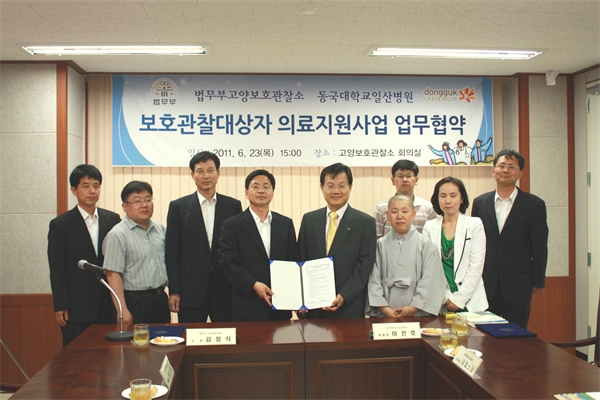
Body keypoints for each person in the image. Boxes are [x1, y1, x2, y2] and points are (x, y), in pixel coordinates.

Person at [471, 149, 549, 328]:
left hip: (518, 283)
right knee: (484, 334)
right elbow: (474, 243)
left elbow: (539, 245)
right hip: (486, 282)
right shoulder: (480, 202)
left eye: (512, 167)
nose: (506, 170)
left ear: (520, 173)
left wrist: (538, 280)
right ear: (493, 171)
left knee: (515, 334)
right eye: (502, 166)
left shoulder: (534, 205)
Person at [48, 165, 120, 347]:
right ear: (74, 190)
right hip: (77, 306)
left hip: (107, 302)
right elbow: (57, 268)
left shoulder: (112, 219)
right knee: (77, 355)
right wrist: (60, 304)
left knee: (110, 355)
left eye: (96, 186)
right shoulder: (61, 224)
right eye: (85, 186)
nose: (92, 191)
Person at [166, 151, 242, 323]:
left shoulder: (233, 206)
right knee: (190, 336)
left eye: (210, 170)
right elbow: (172, 252)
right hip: (190, 290)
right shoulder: (178, 207)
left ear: (218, 173)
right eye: (200, 171)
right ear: (192, 175)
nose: (206, 176)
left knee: (227, 336)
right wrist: (174, 290)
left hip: (225, 288)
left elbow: (238, 250)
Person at [298, 163, 376, 319]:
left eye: (341, 186)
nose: (335, 191)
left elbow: (365, 265)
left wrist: (345, 295)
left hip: (349, 307)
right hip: (314, 308)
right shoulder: (309, 220)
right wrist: (301, 298)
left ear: (350, 187)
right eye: (330, 186)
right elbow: (301, 259)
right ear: (322, 187)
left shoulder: (365, 222)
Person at [219, 170, 298, 321]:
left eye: (266, 186)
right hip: (247, 304)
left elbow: (293, 262)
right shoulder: (232, 225)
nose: (261, 190)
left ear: (273, 192)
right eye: (255, 186)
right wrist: (253, 284)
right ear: (246, 192)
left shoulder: (285, 224)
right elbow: (227, 264)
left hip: (280, 305)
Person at [366, 195, 445, 318]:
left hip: (418, 313)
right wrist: (383, 307)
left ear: (413, 215)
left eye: (404, 211)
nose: (399, 216)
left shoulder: (426, 245)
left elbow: (430, 280)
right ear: (387, 215)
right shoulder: (379, 245)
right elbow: (373, 279)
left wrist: (414, 307)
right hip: (385, 313)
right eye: (394, 212)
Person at [103, 181, 170, 325]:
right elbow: (112, 275)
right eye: (137, 201)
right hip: (135, 302)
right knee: (139, 340)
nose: (144, 205)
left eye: (148, 199)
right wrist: (122, 310)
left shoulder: (160, 229)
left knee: (164, 338)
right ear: (125, 207)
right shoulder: (117, 235)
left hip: (160, 299)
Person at [422, 177, 488, 313]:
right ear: (437, 199)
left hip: (471, 300)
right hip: (440, 300)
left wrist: (459, 299)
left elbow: (476, 266)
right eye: (443, 196)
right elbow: (428, 266)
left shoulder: (474, 224)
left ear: (462, 198)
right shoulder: (429, 226)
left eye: (453, 195)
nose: (448, 201)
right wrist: (446, 297)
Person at [375, 159, 436, 236]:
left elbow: (432, 236)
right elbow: (378, 237)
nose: (404, 179)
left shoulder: (428, 208)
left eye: (409, 176)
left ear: (416, 180)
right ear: (393, 180)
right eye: (400, 176)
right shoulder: (381, 208)